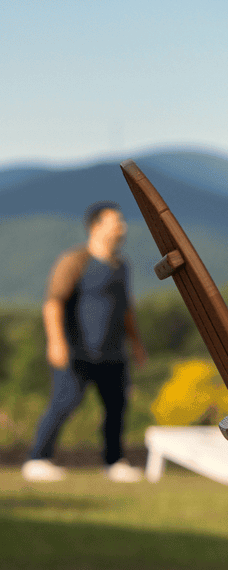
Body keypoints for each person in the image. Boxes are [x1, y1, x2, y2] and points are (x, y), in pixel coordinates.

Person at [22, 202, 147, 482]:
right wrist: (56, 342)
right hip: (77, 351)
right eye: (116, 222)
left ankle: (114, 462)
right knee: (65, 402)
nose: (122, 227)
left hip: (113, 353)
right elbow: (53, 302)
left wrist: (137, 344)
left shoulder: (121, 266)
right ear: (96, 226)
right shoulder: (75, 260)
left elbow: (126, 308)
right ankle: (37, 459)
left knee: (116, 407)